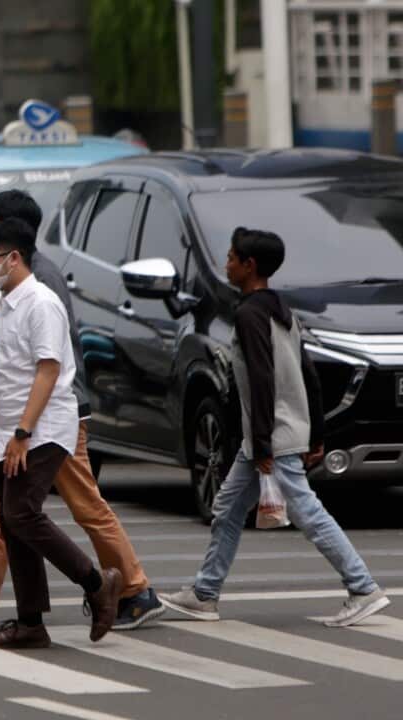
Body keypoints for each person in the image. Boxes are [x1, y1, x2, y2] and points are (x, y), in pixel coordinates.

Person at [0, 190, 163, 635]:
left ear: (14, 247)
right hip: (25, 419)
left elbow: (48, 365)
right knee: (5, 512)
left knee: (50, 510)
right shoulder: (14, 290)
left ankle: (124, 587)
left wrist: (21, 429)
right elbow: (14, 362)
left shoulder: (41, 287)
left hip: (48, 420)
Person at [163, 228, 390, 627]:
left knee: (306, 510)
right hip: (273, 433)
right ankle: (204, 593)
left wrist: (266, 445)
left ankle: (362, 586)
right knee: (228, 508)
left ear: (249, 266)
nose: (226, 264)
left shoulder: (250, 314)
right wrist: (315, 432)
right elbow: (308, 376)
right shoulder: (281, 309)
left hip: (272, 436)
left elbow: (263, 380)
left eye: (232, 257)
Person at [0, 217, 123, 649]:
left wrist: (22, 432)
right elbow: (11, 371)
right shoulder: (11, 303)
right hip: (10, 431)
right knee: (12, 520)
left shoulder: (41, 303)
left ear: (13, 258)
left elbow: (49, 369)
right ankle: (30, 622)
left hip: (42, 429)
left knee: (21, 514)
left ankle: (97, 582)